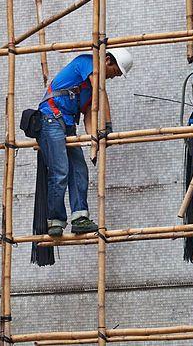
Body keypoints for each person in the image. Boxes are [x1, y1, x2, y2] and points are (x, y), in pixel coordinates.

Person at [38, 49, 133, 237]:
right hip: (50, 117)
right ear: (106, 60)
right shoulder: (87, 62)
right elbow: (100, 92)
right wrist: (108, 126)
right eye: (114, 73)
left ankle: (80, 217)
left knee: (79, 170)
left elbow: (89, 115)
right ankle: (55, 220)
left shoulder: (89, 89)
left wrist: (95, 141)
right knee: (61, 170)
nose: (112, 78)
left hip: (67, 124)